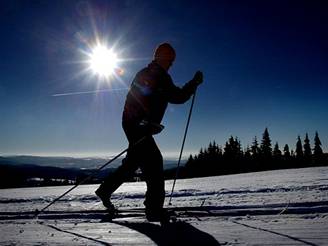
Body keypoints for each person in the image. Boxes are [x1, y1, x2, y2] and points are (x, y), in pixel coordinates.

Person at [95, 43, 203, 222]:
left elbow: (178, 96)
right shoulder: (148, 75)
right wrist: (142, 123)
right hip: (136, 126)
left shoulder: (161, 77)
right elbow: (135, 99)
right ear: (163, 57)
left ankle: (105, 190)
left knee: (132, 163)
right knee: (154, 163)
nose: (171, 64)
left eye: (172, 61)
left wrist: (193, 83)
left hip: (138, 125)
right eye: (170, 60)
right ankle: (153, 210)